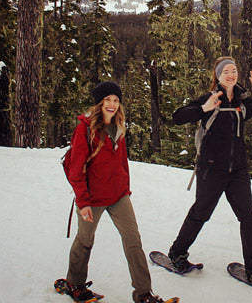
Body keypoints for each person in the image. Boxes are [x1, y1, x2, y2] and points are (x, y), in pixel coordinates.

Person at [168, 57, 252, 288]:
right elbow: (177, 117)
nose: (231, 74)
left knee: (248, 218)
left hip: (238, 170)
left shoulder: (243, 102)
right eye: (225, 71)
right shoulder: (210, 99)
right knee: (201, 213)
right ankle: (177, 253)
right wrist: (203, 109)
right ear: (217, 76)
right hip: (211, 169)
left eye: (234, 70)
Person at [55, 81, 168, 303]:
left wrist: (125, 188)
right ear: (99, 103)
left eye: (116, 100)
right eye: (108, 100)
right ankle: (74, 284)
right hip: (92, 197)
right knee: (85, 240)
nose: (112, 104)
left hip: (118, 196)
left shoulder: (119, 127)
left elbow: (122, 163)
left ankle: (144, 293)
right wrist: (83, 202)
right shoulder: (85, 129)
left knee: (133, 239)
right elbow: (76, 169)